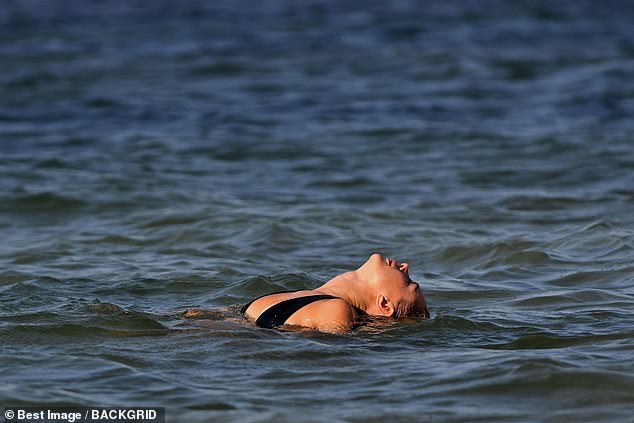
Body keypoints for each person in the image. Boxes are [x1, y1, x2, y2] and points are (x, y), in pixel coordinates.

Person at [241, 253, 430, 333]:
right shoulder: (303, 295)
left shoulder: (336, 311)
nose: (406, 267)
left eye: (409, 283)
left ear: (385, 304)